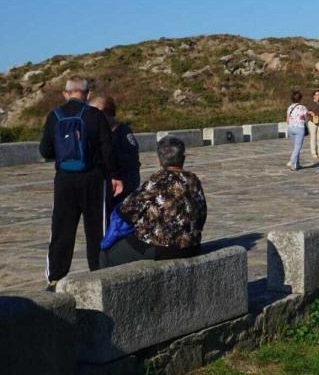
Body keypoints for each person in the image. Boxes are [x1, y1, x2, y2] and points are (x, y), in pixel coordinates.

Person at [39, 77, 122, 289]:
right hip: (94, 179)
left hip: (65, 181)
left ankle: (55, 277)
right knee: (97, 230)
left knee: (62, 229)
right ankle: (100, 273)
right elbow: (107, 150)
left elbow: (45, 151)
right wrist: (114, 175)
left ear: (66, 93)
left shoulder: (54, 117)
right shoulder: (94, 115)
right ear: (86, 95)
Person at [100, 136, 206, 267]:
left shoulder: (157, 181)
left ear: (159, 160)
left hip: (161, 248)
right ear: (183, 158)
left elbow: (126, 212)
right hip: (192, 246)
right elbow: (202, 213)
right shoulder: (193, 180)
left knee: (107, 255)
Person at [90, 95, 141, 207]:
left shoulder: (122, 132)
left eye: (94, 113)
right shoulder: (100, 133)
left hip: (122, 187)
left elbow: (128, 162)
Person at [286, 90, 308, 170]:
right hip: (299, 128)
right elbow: (306, 118)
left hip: (290, 128)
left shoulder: (290, 107)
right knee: (298, 146)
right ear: (300, 98)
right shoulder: (303, 107)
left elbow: (287, 119)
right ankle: (291, 161)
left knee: (295, 146)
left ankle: (296, 165)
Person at [307, 90, 319, 160]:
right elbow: (306, 111)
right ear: (314, 96)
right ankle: (314, 152)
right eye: (316, 95)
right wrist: (310, 112)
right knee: (313, 138)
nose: (318, 96)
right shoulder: (310, 103)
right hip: (312, 122)